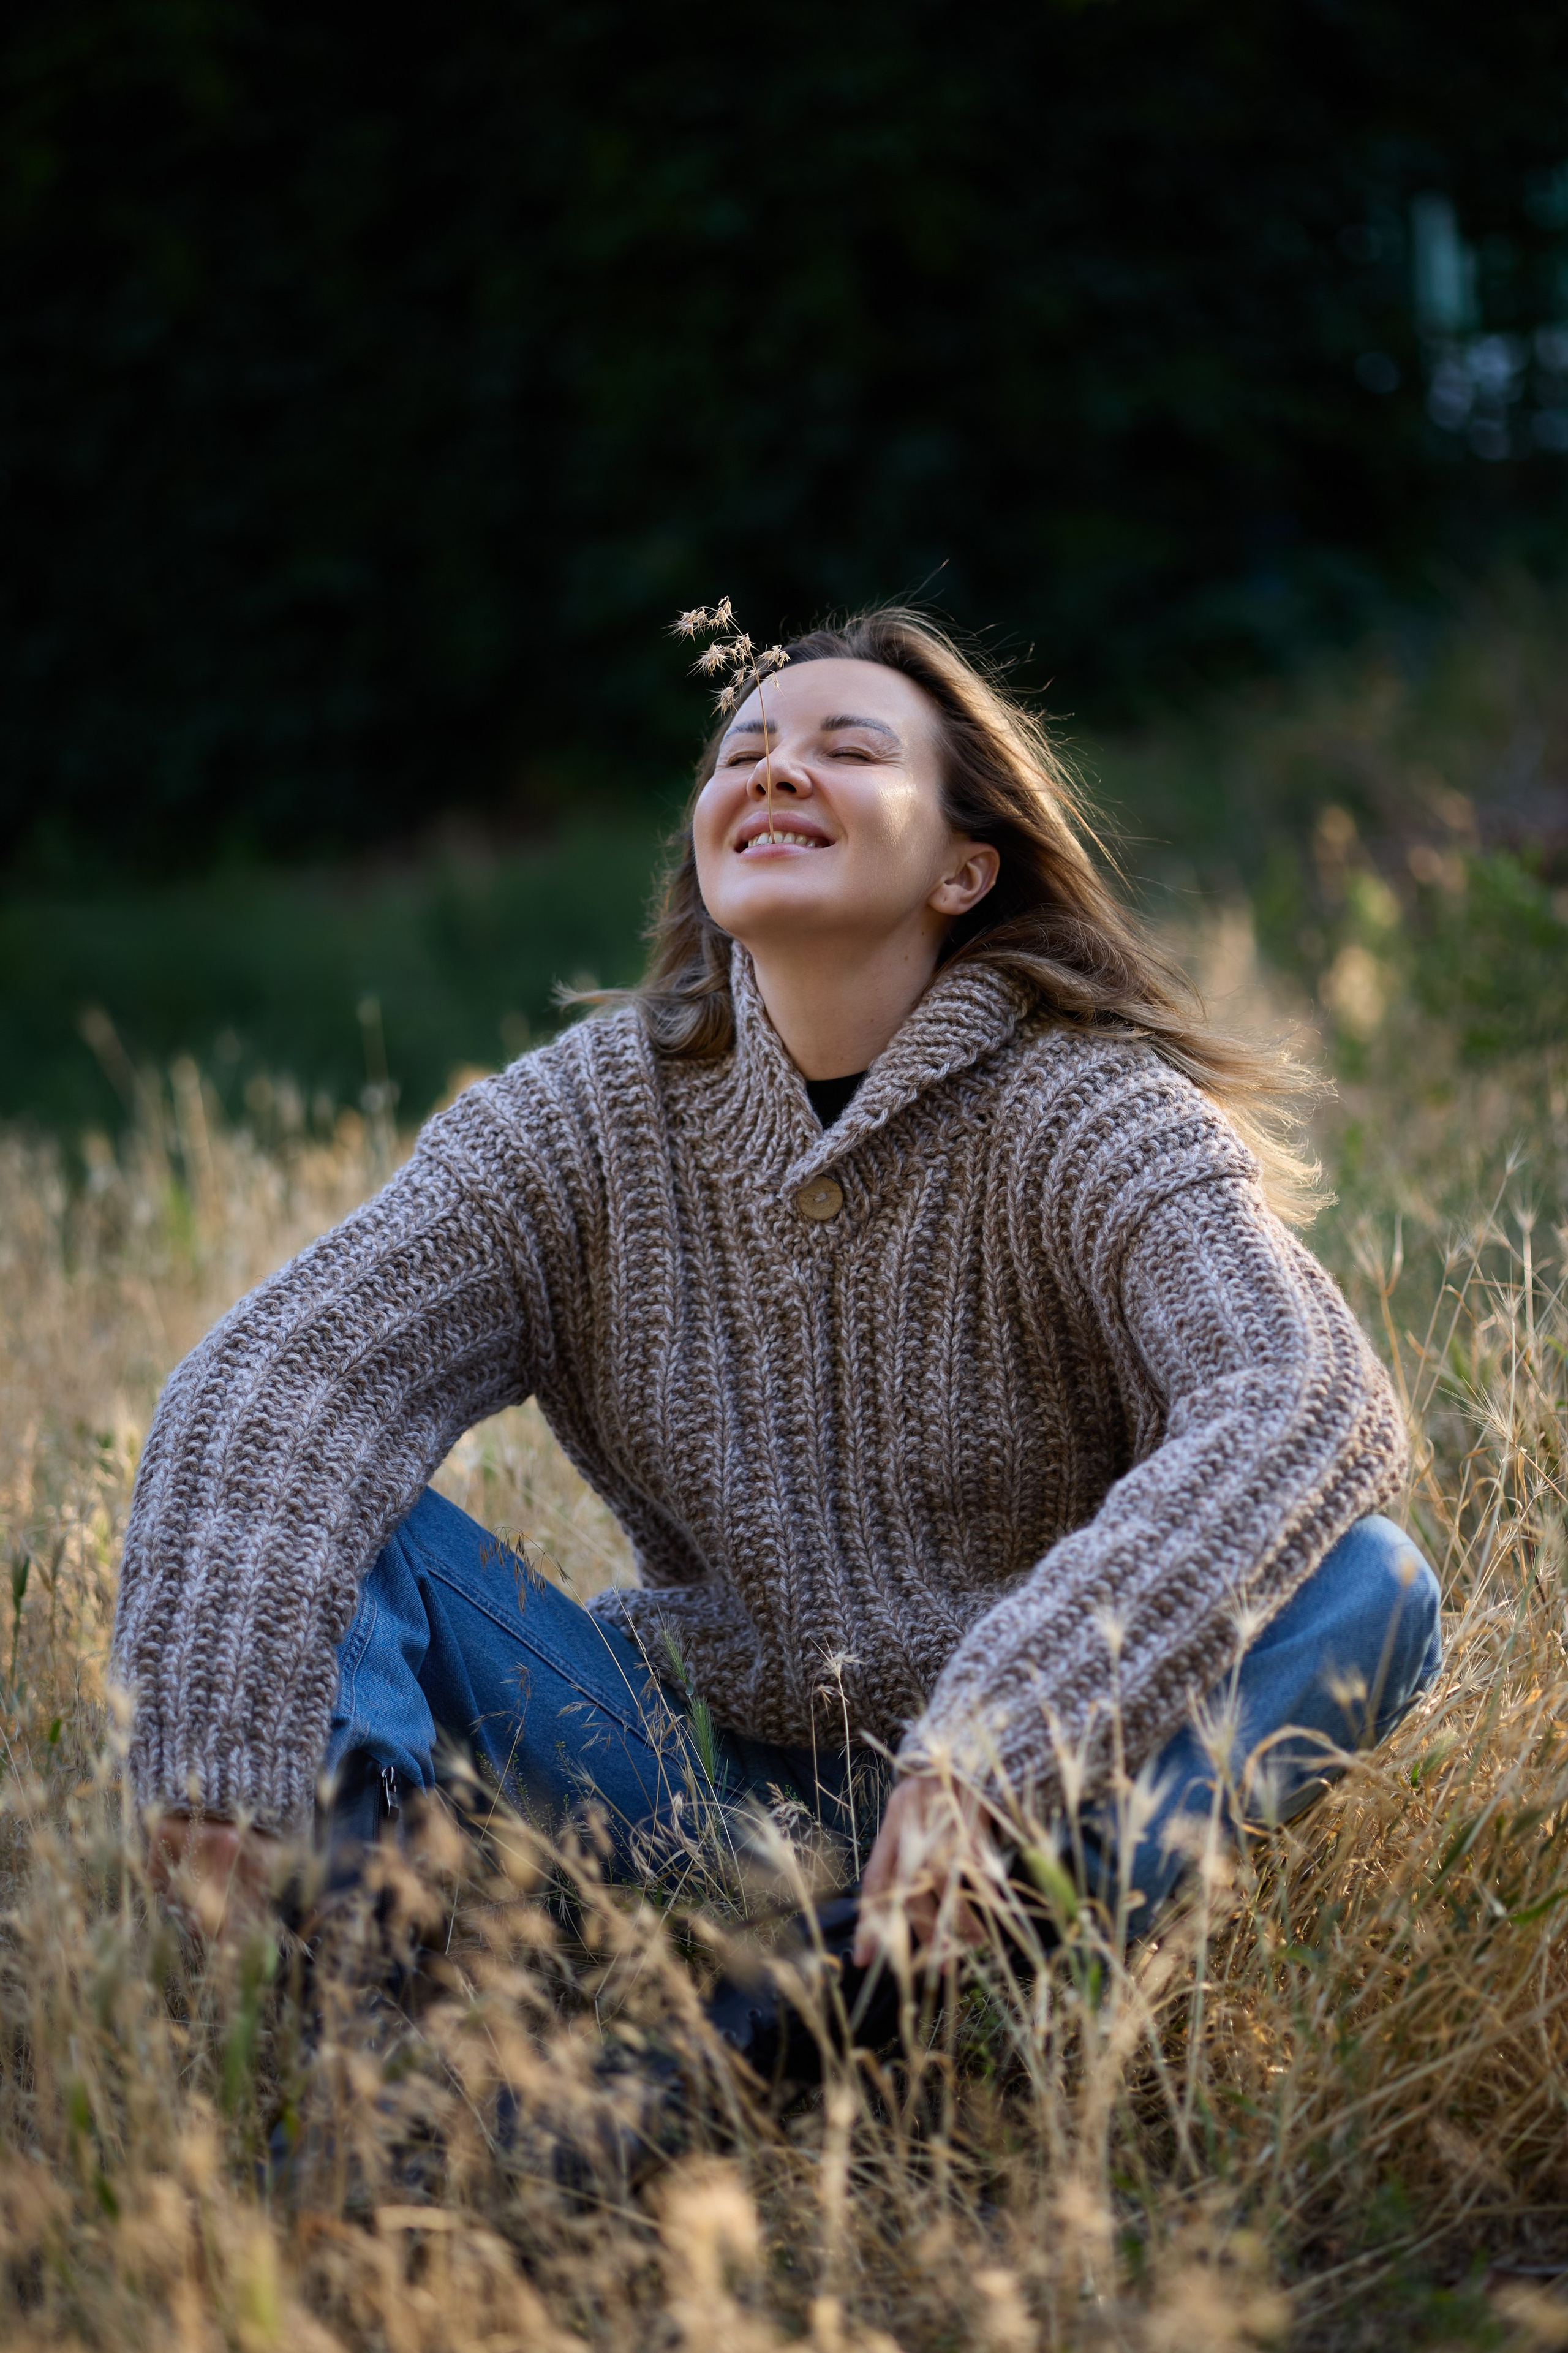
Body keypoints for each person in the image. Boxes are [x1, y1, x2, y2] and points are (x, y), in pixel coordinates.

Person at [116, 608, 1441, 1979]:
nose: (774, 769)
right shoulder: (585, 1116)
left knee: (1373, 1585)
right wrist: (223, 1760)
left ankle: (927, 1991)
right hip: (665, 1782)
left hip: (1036, 1803)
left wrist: (994, 1748)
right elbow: (280, 1378)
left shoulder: (1092, 1110)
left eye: (847, 748)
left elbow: (1300, 1392)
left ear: (963, 866)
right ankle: (392, 1999)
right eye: (742, 750)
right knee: (323, 1495)